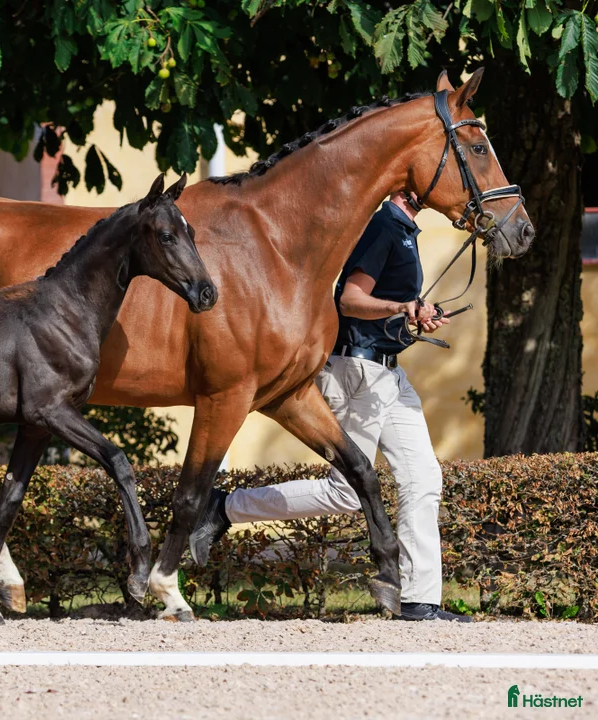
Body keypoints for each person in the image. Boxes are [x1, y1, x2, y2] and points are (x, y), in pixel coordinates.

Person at [190, 190, 471, 622]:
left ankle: (419, 601)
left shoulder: (404, 230)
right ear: (409, 189)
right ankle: (224, 507)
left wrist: (415, 314)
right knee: (345, 492)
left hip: (389, 374)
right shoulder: (384, 226)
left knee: (423, 477)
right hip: (358, 372)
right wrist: (402, 305)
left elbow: (382, 307)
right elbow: (349, 299)